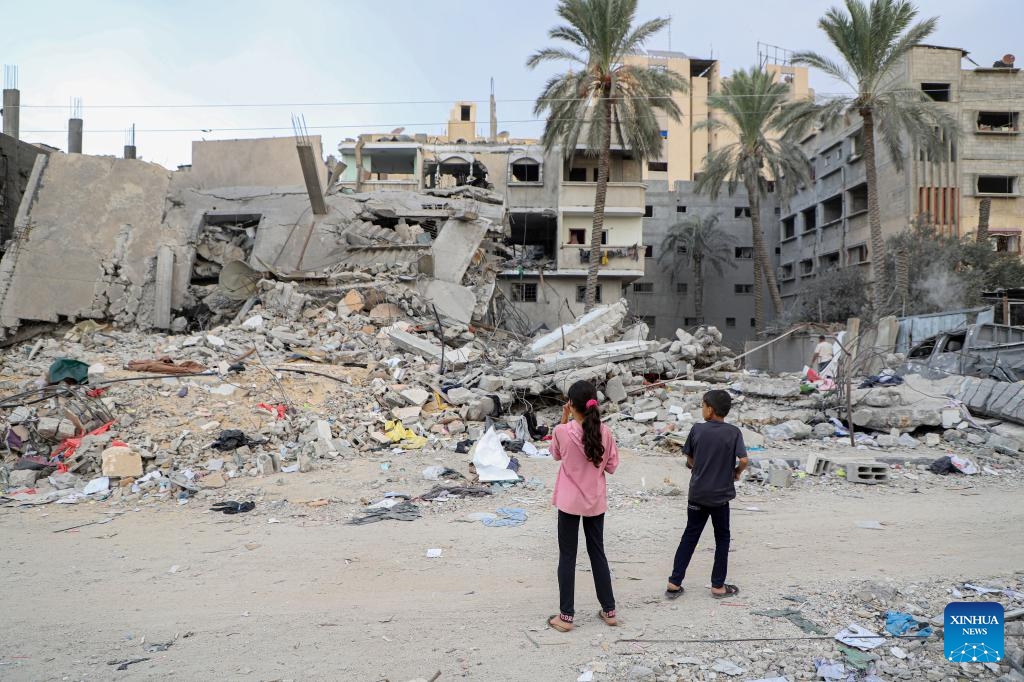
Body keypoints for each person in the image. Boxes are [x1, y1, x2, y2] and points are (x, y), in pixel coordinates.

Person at [547, 380, 620, 632]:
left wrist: (563, 418)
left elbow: (555, 455)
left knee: (567, 556)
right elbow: (611, 466)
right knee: (597, 553)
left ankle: (566, 616)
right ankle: (609, 610)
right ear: (594, 403)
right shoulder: (605, 433)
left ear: (571, 404)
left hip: (569, 503)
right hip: (594, 502)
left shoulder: (562, 431)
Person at [665, 390, 748, 600]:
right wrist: (736, 472)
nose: (702, 409)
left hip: (698, 494)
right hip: (720, 497)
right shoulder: (733, 432)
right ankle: (718, 586)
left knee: (690, 535)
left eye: (703, 405)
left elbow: (690, 459)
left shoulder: (697, 430)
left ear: (710, 409)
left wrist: (699, 467)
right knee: (722, 538)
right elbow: (744, 460)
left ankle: (674, 582)